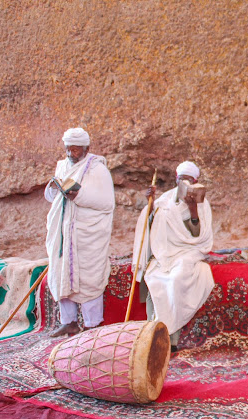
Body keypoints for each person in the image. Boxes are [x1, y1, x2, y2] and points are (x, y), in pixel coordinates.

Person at [132, 161, 214, 351]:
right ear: (176, 180)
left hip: (187, 251)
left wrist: (193, 211)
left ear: (196, 181)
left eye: (188, 180)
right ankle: (154, 334)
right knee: (154, 279)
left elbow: (198, 235)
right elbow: (151, 225)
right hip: (165, 252)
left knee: (177, 280)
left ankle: (171, 339)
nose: (184, 183)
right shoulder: (165, 200)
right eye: (181, 180)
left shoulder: (202, 205)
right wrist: (150, 205)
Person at [45, 128, 115, 337]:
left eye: (76, 150)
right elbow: (53, 199)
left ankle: (92, 325)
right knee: (61, 272)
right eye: (68, 149)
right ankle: (69, 322)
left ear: (86, 148)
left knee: (89, 276)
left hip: (88, 233)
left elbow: (107, 203)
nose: (71, 154)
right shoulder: (62, 166)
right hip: (64, 231)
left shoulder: (97, 170)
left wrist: (79, 195)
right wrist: (53, 187)